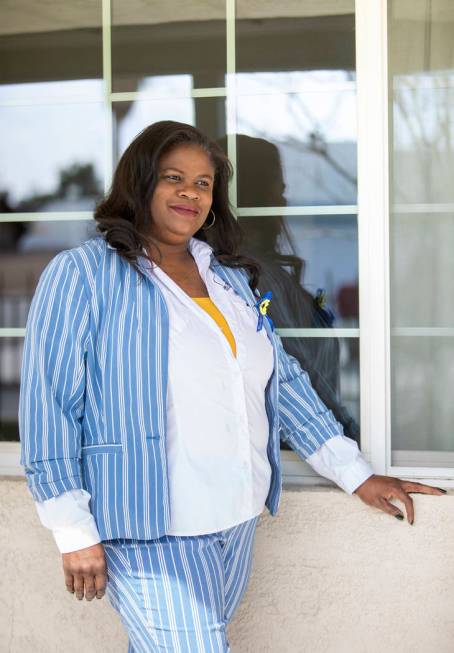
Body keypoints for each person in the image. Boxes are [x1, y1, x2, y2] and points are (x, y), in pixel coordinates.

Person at [18, 120, 446, 653]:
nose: (189, 193)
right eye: (173, 177)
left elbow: (282, 385)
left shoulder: (228, 279)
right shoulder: (83, 274)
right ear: (140, 182)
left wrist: (356, 474)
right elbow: (50, 406)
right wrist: (72, 529)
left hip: (235, 519)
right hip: (148, 527)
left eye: (203, 183)